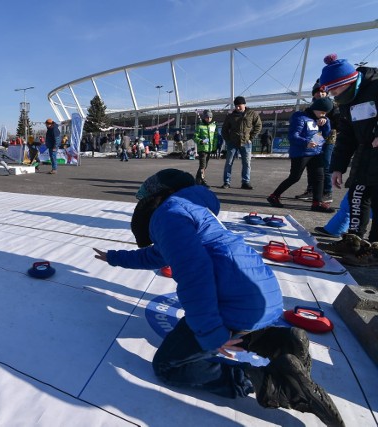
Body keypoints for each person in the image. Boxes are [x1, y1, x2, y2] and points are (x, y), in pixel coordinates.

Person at [92, 169, 343, 427]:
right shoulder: (193, 209)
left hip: (237, 303)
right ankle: (280, 342)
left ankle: (272, 382)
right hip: (263, 297)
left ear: (155, 199)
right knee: (225, 325)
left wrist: (211, 332)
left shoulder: (167, 216)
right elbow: (156, 256)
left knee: (169, 366)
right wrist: (114, 257)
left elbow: (195, 275)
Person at [315, 53, 378, 266]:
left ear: (346, 82)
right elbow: (347, 135)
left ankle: (375, 250)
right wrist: (338, 167)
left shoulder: (375, 85)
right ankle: (354, 243)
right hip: (365, 153)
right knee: (357, 195)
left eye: (333, 89)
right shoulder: (347, 100)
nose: (332, 94)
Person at [266, 97, 336, 213]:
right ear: (315, 109)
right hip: (301, 153)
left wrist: (326, 123)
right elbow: (293, 136)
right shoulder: (300, 117)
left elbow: (325, 134)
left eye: (326, 113)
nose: (323, 115)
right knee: (295, 177)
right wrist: (306, 143)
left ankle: (316, 203)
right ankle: (274, 196)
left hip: (316, 152)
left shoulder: (321, 119)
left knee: (319, 177)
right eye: (322, 112)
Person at [295, 82, 339, 204]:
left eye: (323, 91)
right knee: (311, 165)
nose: (320, 93)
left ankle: (327, 192)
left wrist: (326, 119)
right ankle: (311, 190)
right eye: (317, 92)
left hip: (328, 138)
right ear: (314, 94)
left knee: (324, 165)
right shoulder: (311, 105)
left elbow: (338, 121)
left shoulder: (331, 105)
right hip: (315, 137)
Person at [221, 96, 262, 189]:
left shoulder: (252, 114)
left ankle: (245, 182)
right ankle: (226, 182)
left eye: (239, 106)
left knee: (247, 163)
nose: (237, 108)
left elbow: (258, 125)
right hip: (232, 143)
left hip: (246, 142)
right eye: (236, 106)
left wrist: (251, 137)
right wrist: (228, 140)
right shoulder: (230, 116)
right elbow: (224, 130)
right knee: (229, 162)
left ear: (244, 104)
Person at [193, 109, 218, 186]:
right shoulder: (200, 126)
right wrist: (200, 141)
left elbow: (215, 137)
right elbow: (195, 137)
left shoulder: (214, 126)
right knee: (203, 165)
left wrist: (214, 148)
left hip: (209, 149)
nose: (209, 119)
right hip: (202, 149)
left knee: (205, 165)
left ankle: (197, 180)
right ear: (204, 117)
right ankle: (202, 180)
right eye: (207, 117)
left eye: (210, 117)